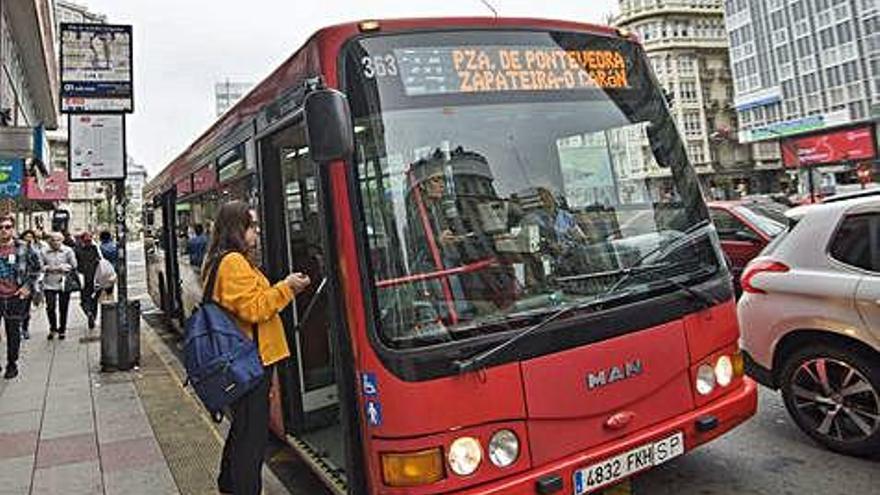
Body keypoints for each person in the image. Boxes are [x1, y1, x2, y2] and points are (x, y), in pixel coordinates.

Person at [203, 201, 310, 495]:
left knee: (243, 430)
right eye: (251, 226)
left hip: (246, 359)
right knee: (252, 439)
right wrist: (287, 287)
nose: (257, 231)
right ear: (237, 229)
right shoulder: (232, 262)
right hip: (250, 361)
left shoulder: (226, 260)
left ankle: (228, 484)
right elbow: (255, 308)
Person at [0, 215, 41, 378]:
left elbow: (37, 268)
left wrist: (27, 286)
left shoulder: (23, 246)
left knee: (13, 332)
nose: (3, 230)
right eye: (1, 227)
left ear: (13, 229)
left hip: (15, 296)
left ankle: (12, 363)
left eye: (7, 226)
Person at [41, 232, 77, 340]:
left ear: (62, 241)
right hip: (48, 283)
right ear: (49, 241)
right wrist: (54, 268)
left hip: (64, 283)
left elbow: (74, 265)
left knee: (63, 307)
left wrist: (66, 267)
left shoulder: (68, 250)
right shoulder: (44, 251)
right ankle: (53, 328)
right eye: (53, 240)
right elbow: (40, 266)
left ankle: (62, 329)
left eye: (58, 240)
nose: (55, 242)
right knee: (50, 307)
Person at [17, 230, 43, 340]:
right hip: (15, 282)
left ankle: (24, 329)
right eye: (26, 237)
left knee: (25, 308)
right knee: (17, 308)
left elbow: (38, 265)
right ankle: (18, 329)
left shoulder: (34, 249)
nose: (28, 239)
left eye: (30, 237)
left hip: (28, 283)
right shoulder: (16, 248)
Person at [75, 232, 101, 329]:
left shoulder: (76, 250)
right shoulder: (94, 248)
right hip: (95, 278)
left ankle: (88, 313)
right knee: (94, 299)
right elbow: (99, 260)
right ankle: (93, 316)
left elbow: (74, 265)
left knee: (84, 300)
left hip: (83, 278)